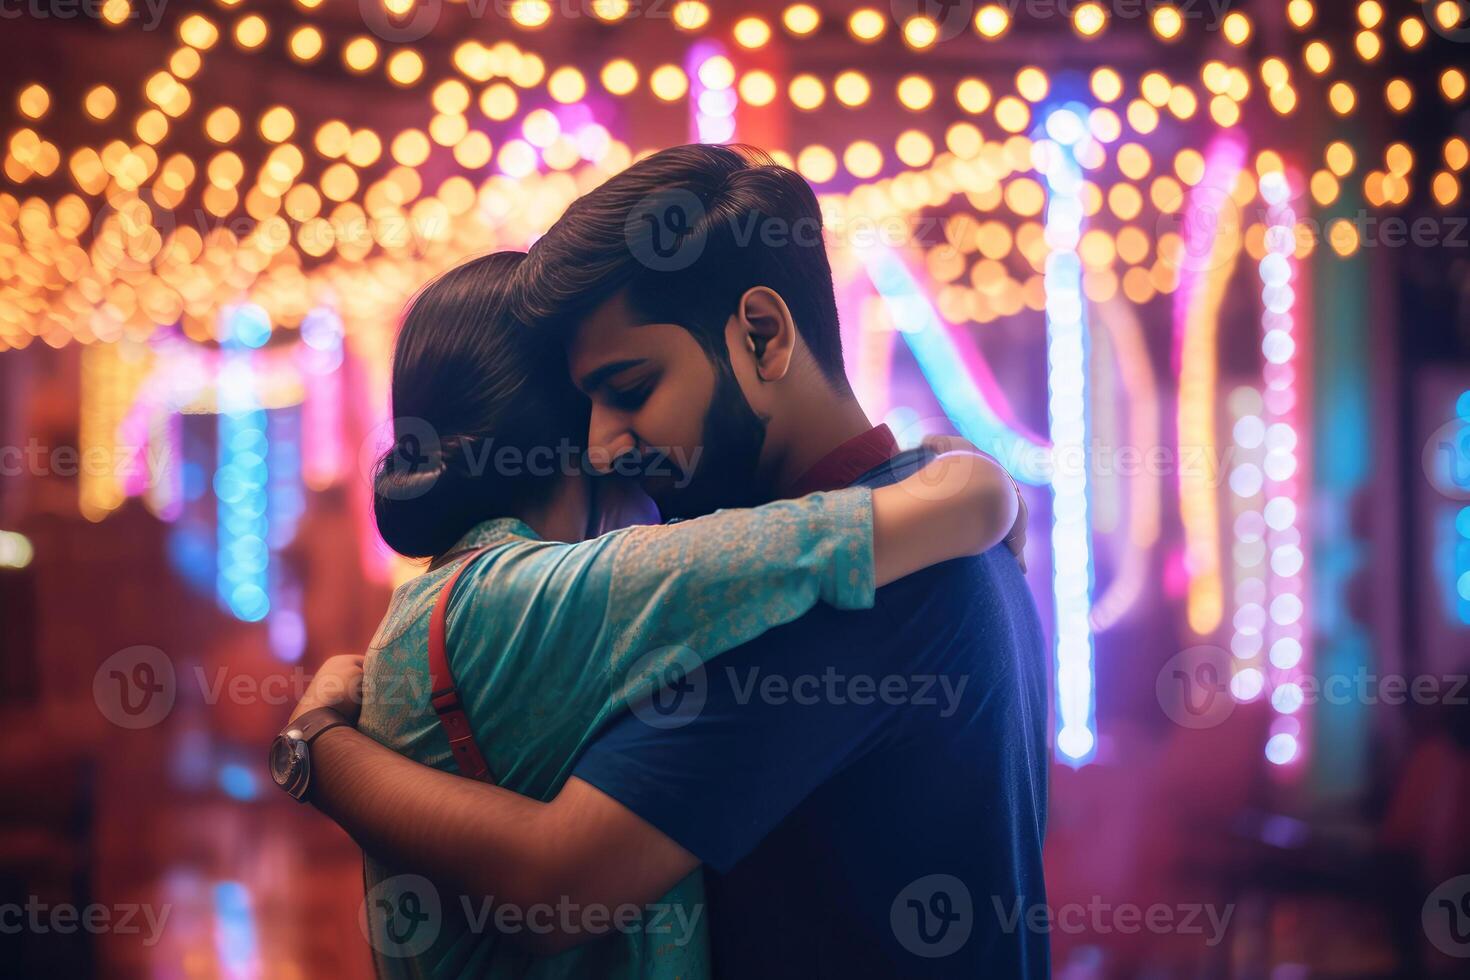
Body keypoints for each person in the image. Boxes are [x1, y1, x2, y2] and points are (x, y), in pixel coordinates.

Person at [288, 145, 1049, 978]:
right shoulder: (939, 524)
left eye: (631, 388)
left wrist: (319, 749)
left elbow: (558, 881)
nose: (602, 448)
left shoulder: (828, 595)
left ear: (762, 336)